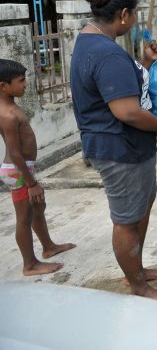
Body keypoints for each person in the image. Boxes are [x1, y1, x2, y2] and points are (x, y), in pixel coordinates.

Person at [70, 0, 157, 302]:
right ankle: (139, 287)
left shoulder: (90, 42)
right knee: (126, 220)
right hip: (120, 150)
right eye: (133, 15)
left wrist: (145, 64)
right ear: (123, 14)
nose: (134, 21)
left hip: (126, 147)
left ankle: (138, 270)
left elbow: (118, 91)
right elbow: (127, 111)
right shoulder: (107, 53)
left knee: (139, 208)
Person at [0, 59, 75, 276]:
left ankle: (48, 247)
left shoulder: (11, 106)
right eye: (21, 81)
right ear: (3, 86)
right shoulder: (7, 114)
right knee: (24, 217)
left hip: (24, 168)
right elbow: (14, 153)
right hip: (18, 171)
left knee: (38, 208)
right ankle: (29, 264)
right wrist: (31, 183)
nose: (25, 85)